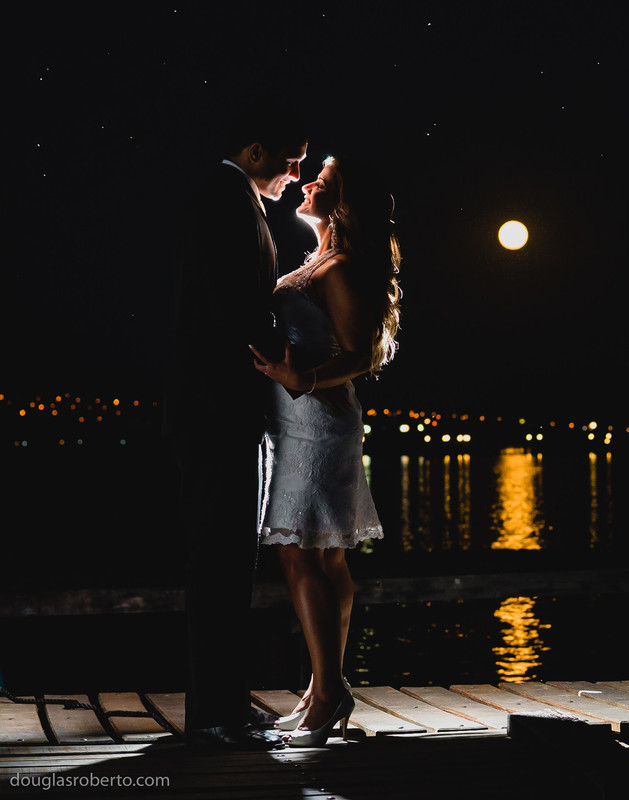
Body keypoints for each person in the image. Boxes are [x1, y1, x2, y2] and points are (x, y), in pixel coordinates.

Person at [163, 103, 307, 749]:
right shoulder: (223, 203)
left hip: (221, 405)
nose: (295, 172)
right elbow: (230, 307)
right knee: (218, 560)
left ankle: (223, 704)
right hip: (216, 406)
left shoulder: (229, 199)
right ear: (254, 151)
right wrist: (283, 353)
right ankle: (214, 714)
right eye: (290, 157)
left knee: (228, 561)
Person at [250, 152, 402, 747]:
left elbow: (360, 354)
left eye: (324, 181)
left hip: (313, 423)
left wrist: (301, 382)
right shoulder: (324, 259)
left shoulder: (335, 268)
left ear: (344, 203)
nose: (309, 182)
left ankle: (329, 692)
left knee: (301, 556)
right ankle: (323, 689)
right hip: (306, 422)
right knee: (327, 558)